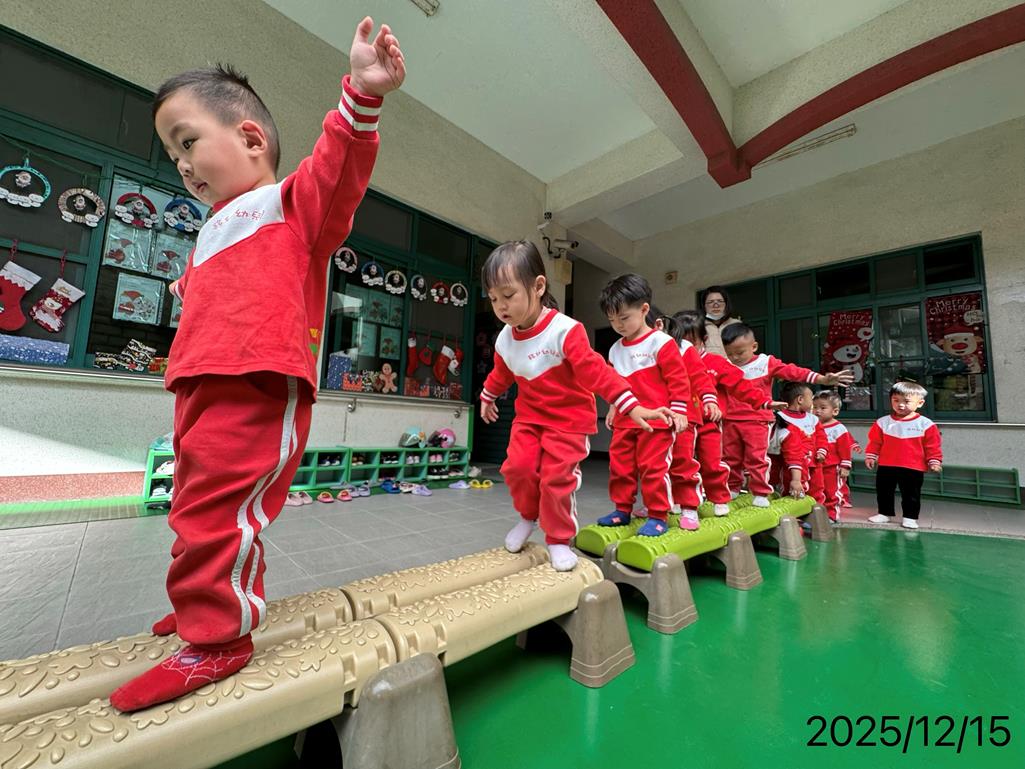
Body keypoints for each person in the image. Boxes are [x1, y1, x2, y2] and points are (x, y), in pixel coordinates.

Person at [108, 18, 406, 714]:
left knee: (221, 508)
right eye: (172, 155)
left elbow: (337, 168)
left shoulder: (288, 204)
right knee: (191, 501)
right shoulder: (211, 227)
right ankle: (203, 602)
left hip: (257, 383)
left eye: (187, 142)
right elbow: (220, 286)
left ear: (249, 138)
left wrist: (361, 94)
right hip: (199, 383)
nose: (182, 166)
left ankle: (218, 639)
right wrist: (188, 286)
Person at [480, 242, 675, 570]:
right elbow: (502, 372)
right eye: (493, 298)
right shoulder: (505, 338)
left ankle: (558, 539)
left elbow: (596, 371)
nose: (501, 306)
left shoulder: (565, 331)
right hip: (529, 418)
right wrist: (487, 396)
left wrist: (631, 406)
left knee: (556, 479)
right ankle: (528, 517)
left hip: (568, 422)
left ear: (538, 287)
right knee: (518, 468)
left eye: (508, 295)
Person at [720, 323, 853, 507]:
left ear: (754, 346)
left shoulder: (765, 363)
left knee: (756, 457)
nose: (735, 358)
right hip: (730, 419)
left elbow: (794, 372)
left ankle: (760, 492)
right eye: (730, 354)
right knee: (730, 457)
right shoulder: (725, 365)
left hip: (757, 419)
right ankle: (733, 487)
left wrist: (821, 378)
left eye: (740, 353)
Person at [598, 277, 689, 536]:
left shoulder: (661, 342)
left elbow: (678, 379)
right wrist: (613, 407)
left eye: (624, 318)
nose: (618, 325)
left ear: (644, 309)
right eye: (612, 320)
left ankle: (658, 515)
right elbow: (614, 383)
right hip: (625, 421)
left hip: (657, 422)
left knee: (653, 468)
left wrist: (680, 411)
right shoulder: (615, 350)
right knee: (620, 467)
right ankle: (622, 510)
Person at [670, 310, 784, 515]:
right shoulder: (670, 361)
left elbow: (741, 385)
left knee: (713, 462)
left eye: (691, 342)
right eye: (680, 341)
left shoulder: (716, 363)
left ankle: (719, 498)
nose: (686, 346)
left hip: (709, 422)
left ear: (704, 339)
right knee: (680, 462)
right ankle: (681, 499)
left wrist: (764, 402)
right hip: (682, 422)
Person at [650, 307, 719, 529]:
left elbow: (700, 376)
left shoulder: (684, 348)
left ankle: (689, 507)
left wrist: (709, 399)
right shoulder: (646, 349)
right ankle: (661, 504)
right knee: (657, 465)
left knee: (682, 461)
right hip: (659, 417)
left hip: (685, 416)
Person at [865, 381, 943, 530]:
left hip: (913, 467)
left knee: (911, 494)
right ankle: (884, 513)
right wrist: (871, 456)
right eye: (896, 400)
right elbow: (875, 442)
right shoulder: (882, 422)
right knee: (883, 490)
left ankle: (910, 517)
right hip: (886, 464)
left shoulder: (926, 424)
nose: (900, 405)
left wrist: (934, 461)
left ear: (920, 403)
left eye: (906, 401)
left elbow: (932, 446)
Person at [768, 382, 826, 500]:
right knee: (792, 491)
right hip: (790, 466)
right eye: (811, 398)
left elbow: (821, 437)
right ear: (800, 399)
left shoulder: (813, 419)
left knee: (817, 488)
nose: (812, 402)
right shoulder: (781, 419)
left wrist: (822, 450)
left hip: (814, 463)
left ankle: (817, 507)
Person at [812, 390, 855, 522]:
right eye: (815, 407)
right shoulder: (811, 426)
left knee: (831, 492)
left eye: (823, 408)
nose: (817, 411)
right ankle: (816, 515)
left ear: (835, 411)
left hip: (832, 468)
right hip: (816, 466)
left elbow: (845, 449)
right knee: (816, 491)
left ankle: (832, 515)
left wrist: (845, 466)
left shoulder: (839, 428)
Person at [700, 285, 742, 356]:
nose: (716, 305)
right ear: (704, 306)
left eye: (720, 301)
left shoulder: (737, 325)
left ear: (726, 304)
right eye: (710, 302)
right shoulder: (698, 326)